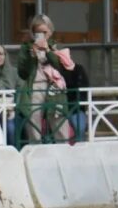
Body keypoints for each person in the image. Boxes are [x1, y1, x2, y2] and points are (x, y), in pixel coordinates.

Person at [16, 14, 74, 144]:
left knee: (58, 120)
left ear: (50, 31)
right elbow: (23, 73)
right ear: (32, 32)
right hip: (34, 86)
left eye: (44, 32)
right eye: (38, 32)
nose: (41, 35)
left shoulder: (55, 46)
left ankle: (63, 151)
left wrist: (48, 50)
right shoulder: (26, 47)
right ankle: (36, 151)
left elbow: (61, 68)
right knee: (33, 122)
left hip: (55, 86)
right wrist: (32, 54)